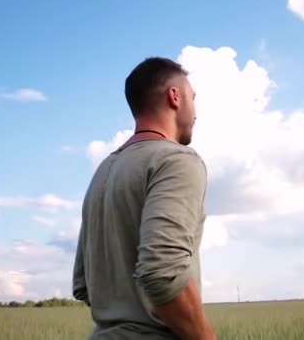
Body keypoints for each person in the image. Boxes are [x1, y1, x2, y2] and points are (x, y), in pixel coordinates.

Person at [72, 56, 216, 340]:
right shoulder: (176, 161)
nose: (196, 112)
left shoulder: (103, 172)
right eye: (193, 98)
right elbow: (161, 272)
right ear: (174, 96)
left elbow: (83, 285)